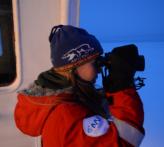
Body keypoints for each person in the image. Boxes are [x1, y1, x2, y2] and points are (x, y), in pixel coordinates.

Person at [14, 25, 145, 147]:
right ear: (73, 66)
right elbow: (124, 141)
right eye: (95, 62)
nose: (100, 69)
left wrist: (112, 90)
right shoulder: (65, 117)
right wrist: (122, 88)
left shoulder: (67, 97)